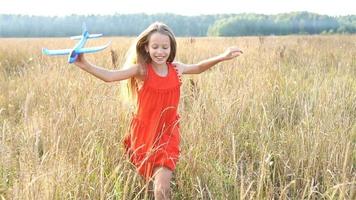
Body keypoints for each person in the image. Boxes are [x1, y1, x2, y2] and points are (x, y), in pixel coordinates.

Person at [74, 22, 243, 200]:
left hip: (167, 134)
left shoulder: (176, 68)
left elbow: (199, 67)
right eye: (155, 47)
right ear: (146, 47)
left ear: (171, 47)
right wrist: (84, 64)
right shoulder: (142, 71)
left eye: (165, 47)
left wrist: (222, 57)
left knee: (161, 189)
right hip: (144, 133)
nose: (160, 52)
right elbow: (110, 76)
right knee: (149, 183)